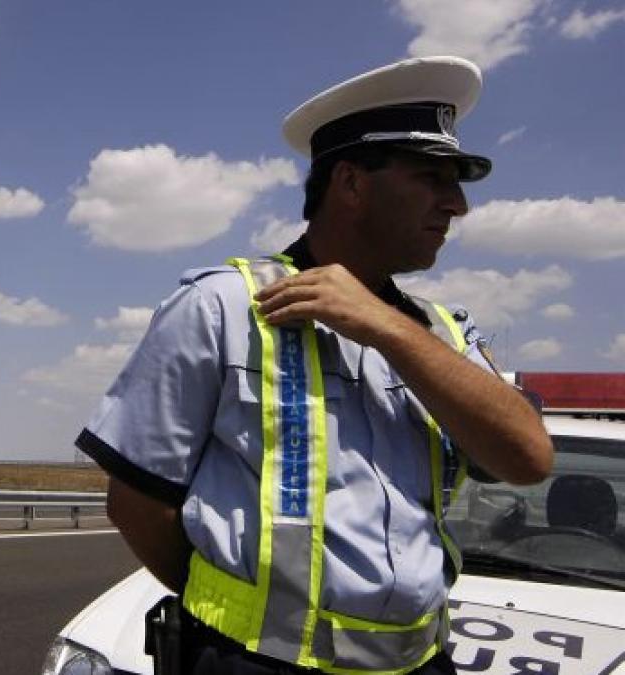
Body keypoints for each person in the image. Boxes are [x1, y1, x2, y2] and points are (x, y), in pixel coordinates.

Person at [75, 56, 554, 675]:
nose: (456, 205)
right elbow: (137, 503)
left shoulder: (441, 333)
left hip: (421, 663)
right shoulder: (223, 305)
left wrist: (386, 326)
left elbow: (528, 458)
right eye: (432, 178)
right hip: (256, 663)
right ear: (351, 184)